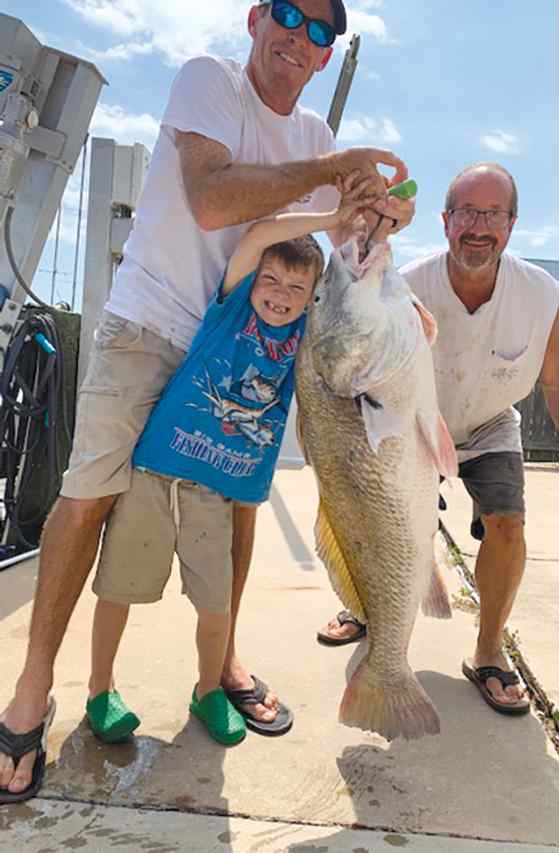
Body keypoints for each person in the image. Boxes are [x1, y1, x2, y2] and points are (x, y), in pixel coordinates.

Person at [0, 0, 415, 802]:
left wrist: (377, 223)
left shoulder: (316, 140)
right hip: (151, 324)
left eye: (323, 30)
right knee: (87, 500)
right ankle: (32, 684)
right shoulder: (208, 80)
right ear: (257, 17)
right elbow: (213, 201)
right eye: (291, 14)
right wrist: (335, 174)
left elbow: (341, 243)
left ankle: (219, 665)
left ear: (330, 56)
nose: (302, 36)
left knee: (241, 502)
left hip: (242, 346)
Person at [317, 163, 559, 716]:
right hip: (413, 424)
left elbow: (557, 381)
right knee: (378, 521)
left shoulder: (539, 292)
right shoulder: (403, 284)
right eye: (466, 212)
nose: (478, 226)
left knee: (508, 525)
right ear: (445, 222)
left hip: (488, 422)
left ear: (512, 224)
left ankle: (489, 650)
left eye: (492, 214)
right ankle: (367, 610)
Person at [85, 173, 375, 746]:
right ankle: (99, 690)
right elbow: (262, 235)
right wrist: (328, 221)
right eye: (271, 279)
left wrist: (364, 235)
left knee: (217, 605)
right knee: (119, 587)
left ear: (312, 295)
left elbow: (356, 316)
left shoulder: (307, 338)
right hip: (156, 473)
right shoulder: (229, 310)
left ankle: (207, 690)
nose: (280, 294)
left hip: (216, 494)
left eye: (297, 287)